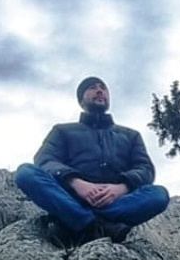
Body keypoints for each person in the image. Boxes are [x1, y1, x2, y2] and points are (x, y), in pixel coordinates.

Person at [14, 76, 170, 243]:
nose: (99, 91)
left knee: (159, 194)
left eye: (103, 88)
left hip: (117, 202)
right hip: (72, 198)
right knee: (25, 173)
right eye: (92, 88)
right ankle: (97, 225)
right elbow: (45, 160)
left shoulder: (131, 136)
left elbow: (145, 169)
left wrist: (121, 188)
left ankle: (80, 222)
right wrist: (77, 183)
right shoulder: (62, 131)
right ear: (81, 100)